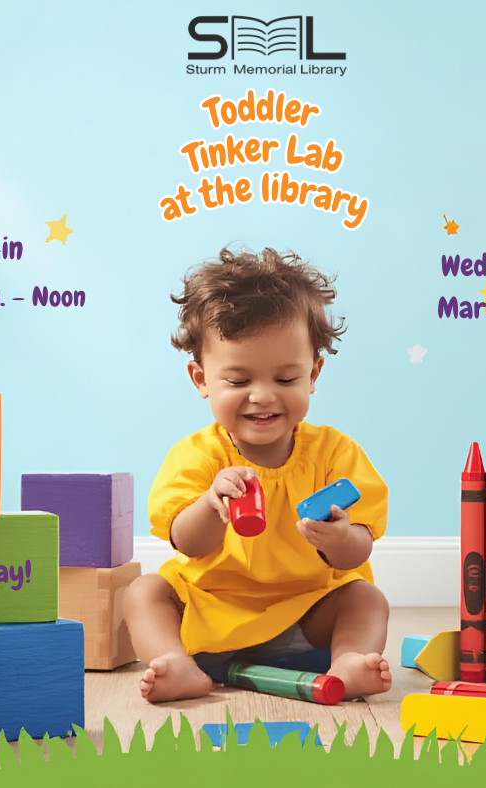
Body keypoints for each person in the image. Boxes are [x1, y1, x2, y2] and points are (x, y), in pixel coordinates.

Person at [124, 246, 391, 703]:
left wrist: (340, 540)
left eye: (286, 380)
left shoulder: (334, 452)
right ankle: (175, 664)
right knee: (144, 592)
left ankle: (348, 661)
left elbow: (356, 553)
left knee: (366, 597)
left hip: (309, 612)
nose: (263, 396)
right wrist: (210, 505)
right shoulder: (197, 455)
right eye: (238, 381)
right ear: (200, 378)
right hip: (214, 613)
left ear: (313, 373)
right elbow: (189, 543)